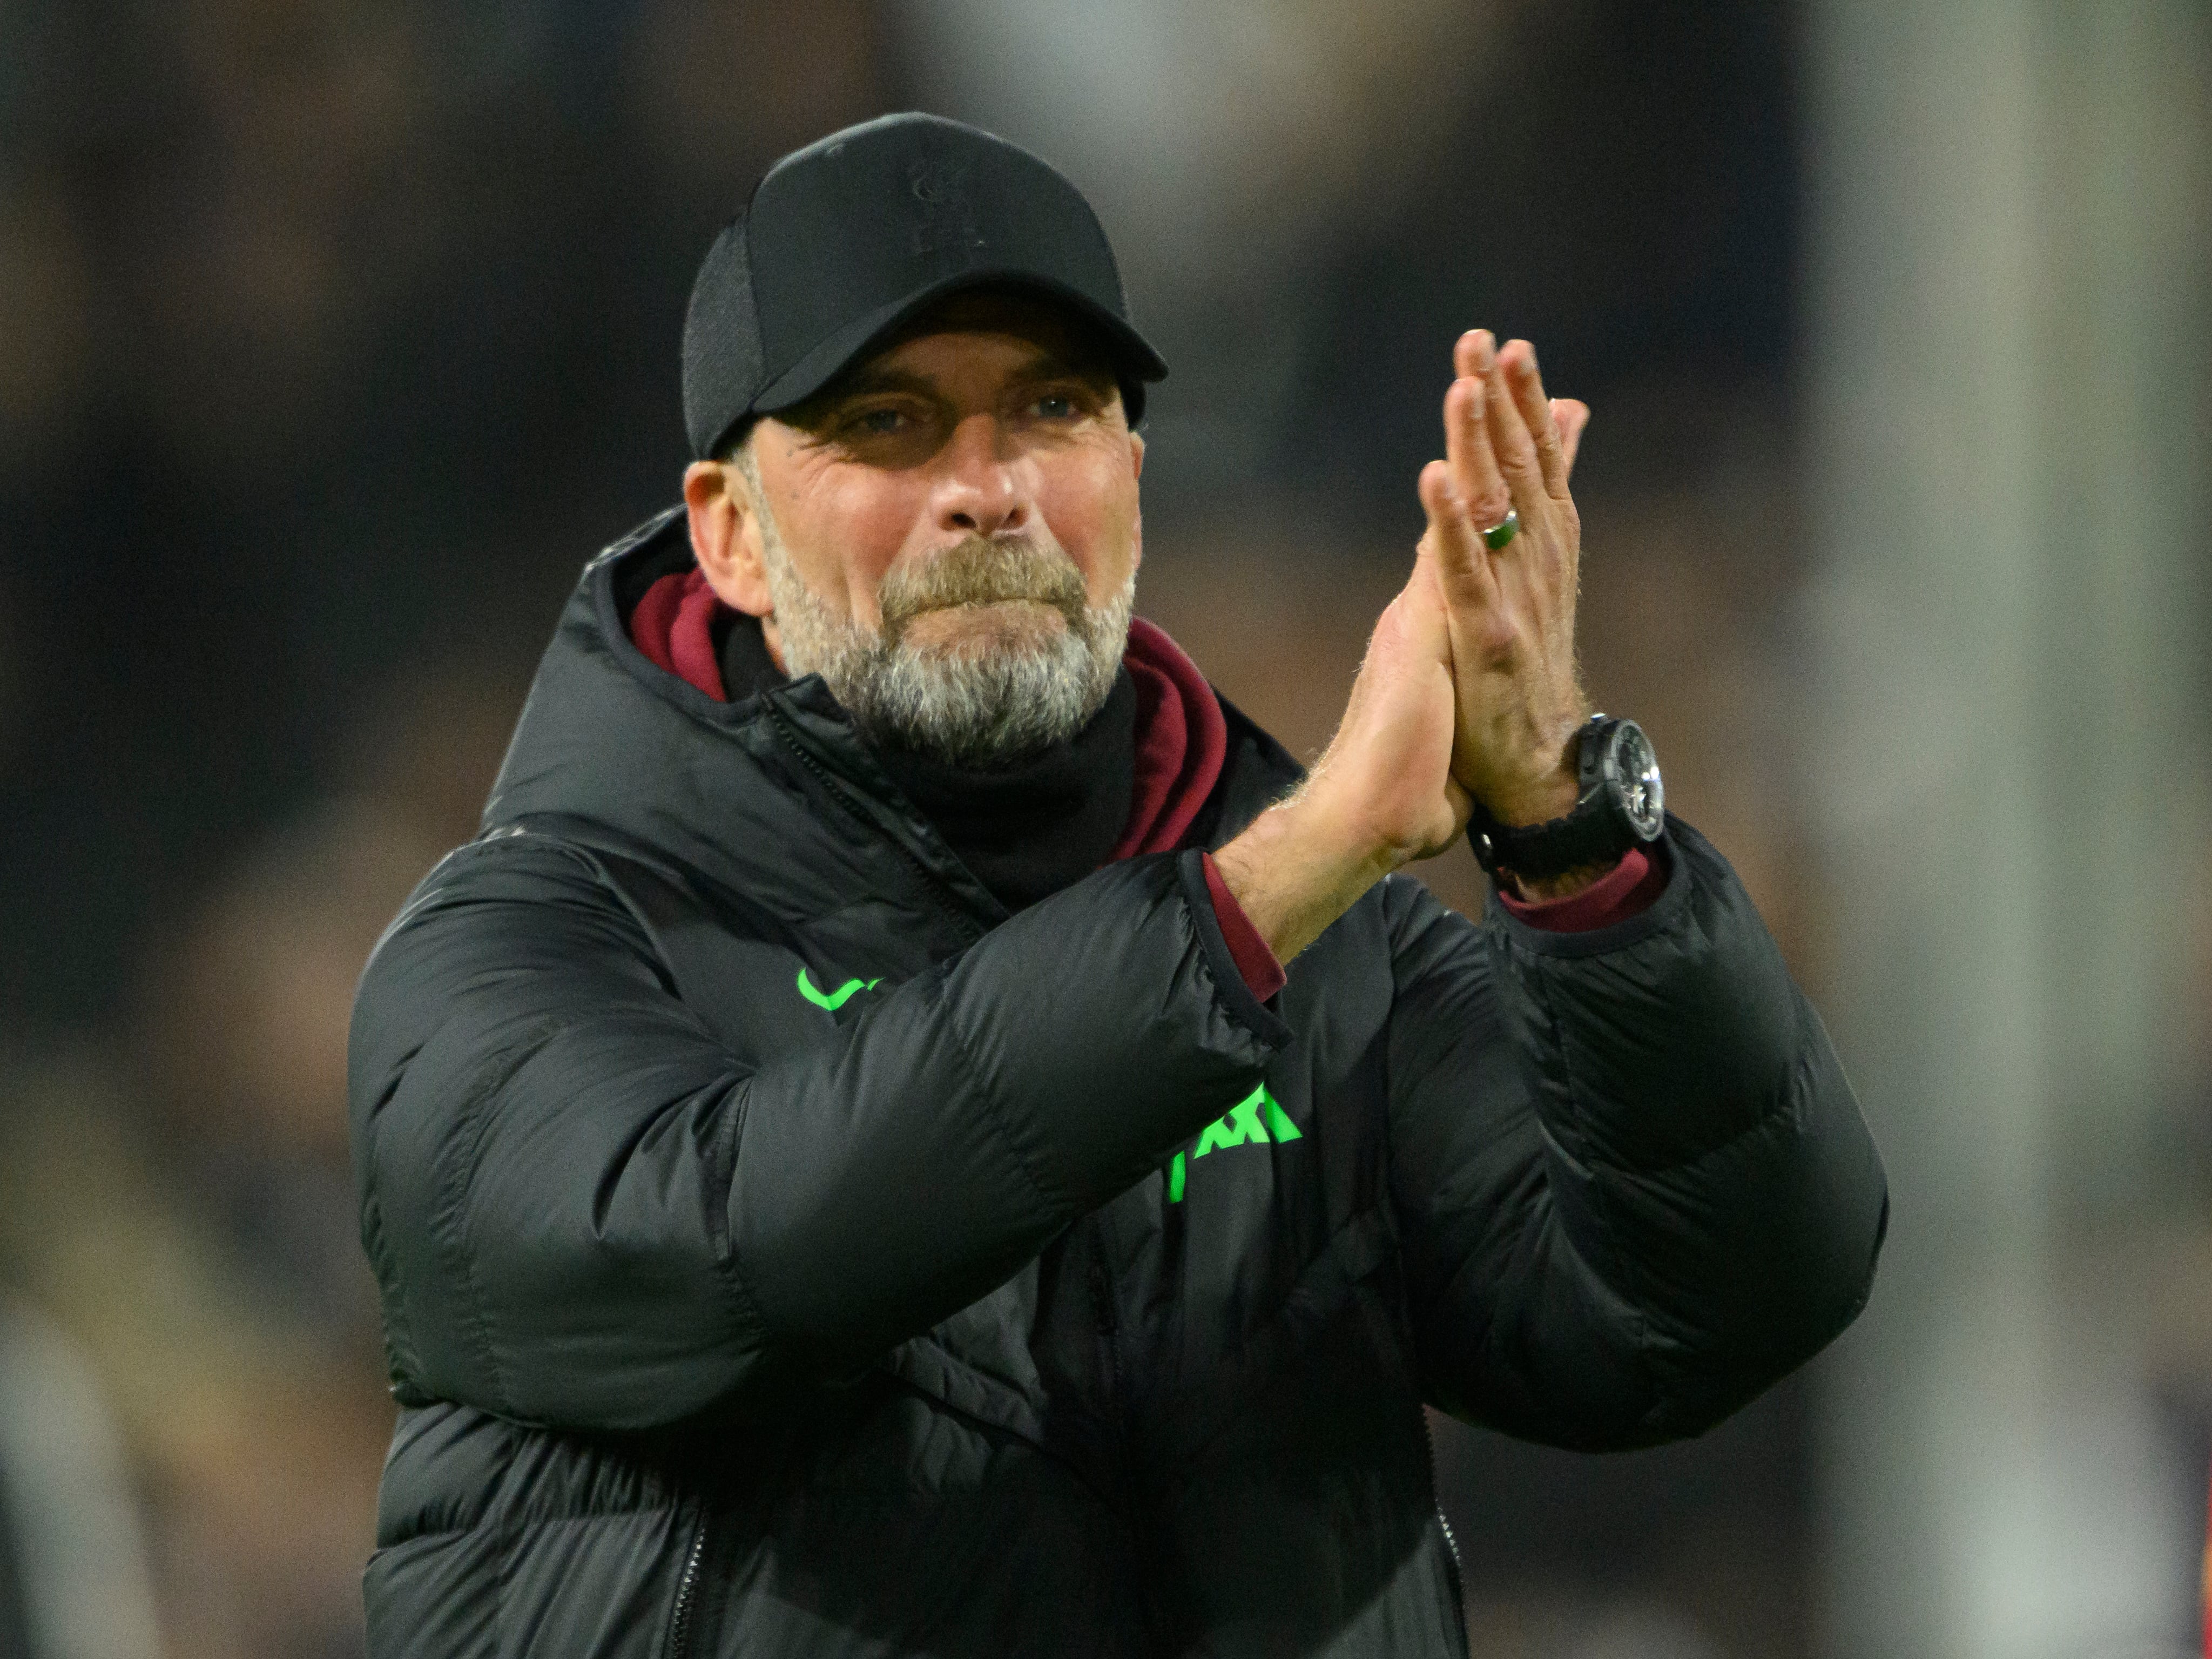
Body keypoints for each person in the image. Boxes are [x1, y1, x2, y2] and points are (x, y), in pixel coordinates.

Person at [348, 112, 1886, 1657]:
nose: (987, 487)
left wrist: (1567, 835)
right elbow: (725, 1258)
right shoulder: (518, 951)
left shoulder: (1341, 960)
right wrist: (1268, 892)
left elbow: (1723, 1298)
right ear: (730, 535)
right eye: (888, 423)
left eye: (1052, 408)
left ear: (1131, 480)